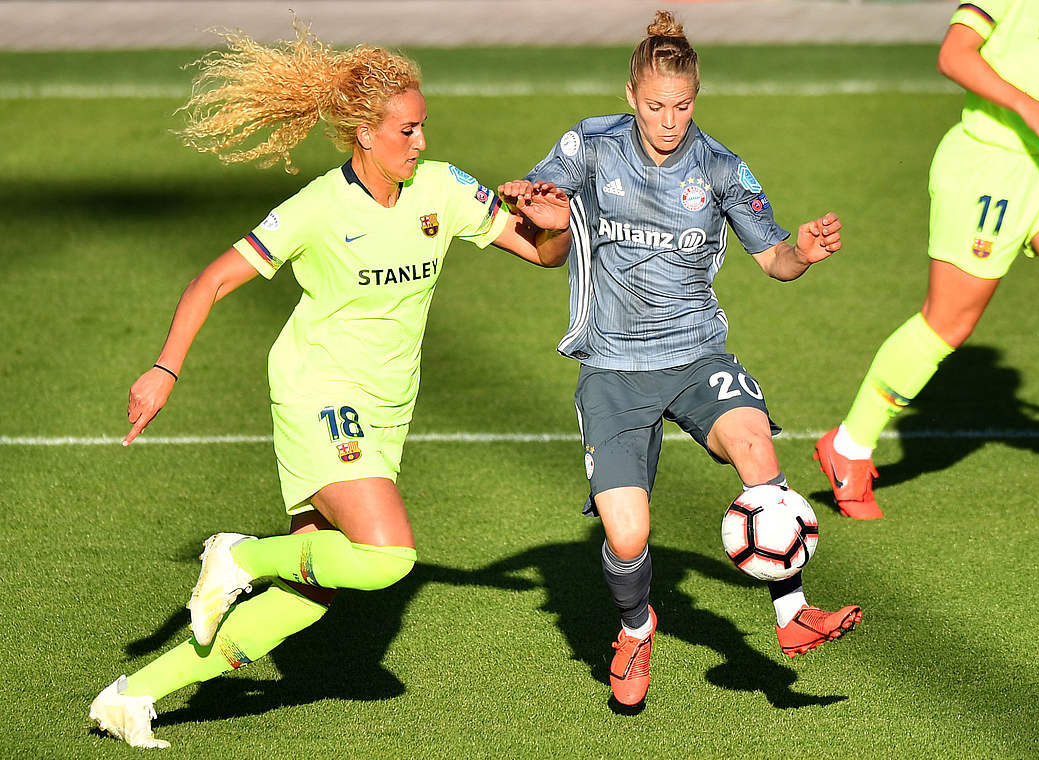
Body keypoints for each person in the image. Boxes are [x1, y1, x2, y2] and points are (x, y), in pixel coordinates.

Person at [88, 24, 570, 749]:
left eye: (422, 125)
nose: (419, 139)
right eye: (407, 129)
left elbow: (540, 253)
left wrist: (555, 224)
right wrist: (164, 369)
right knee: (386, 557)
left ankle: (132, 696)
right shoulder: (319, 206)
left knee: (310, 597)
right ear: (364, 135)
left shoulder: (441, 187)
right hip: (320, 390)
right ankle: (238, 555)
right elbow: (213, 278)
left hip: (386, 405)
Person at [514, 10, 860, 707]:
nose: (668, 121)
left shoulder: (723, 168)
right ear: (631, 94)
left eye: (682, 105)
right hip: (613, 368)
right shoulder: (590, 145)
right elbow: (531, 202)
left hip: (698, 353)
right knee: (628, 531)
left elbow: (775, 259)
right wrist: (538, 208)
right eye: (654, 106)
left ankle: (792, 616)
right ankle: (636, 628)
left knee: (756, 447)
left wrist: (805, 252)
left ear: (695, 97)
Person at [814, 0, 1039, 520]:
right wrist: (1028, 106)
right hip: (987, 169)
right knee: (947, 322)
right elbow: (955, 55)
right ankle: (850, 445)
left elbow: (1035, 66)